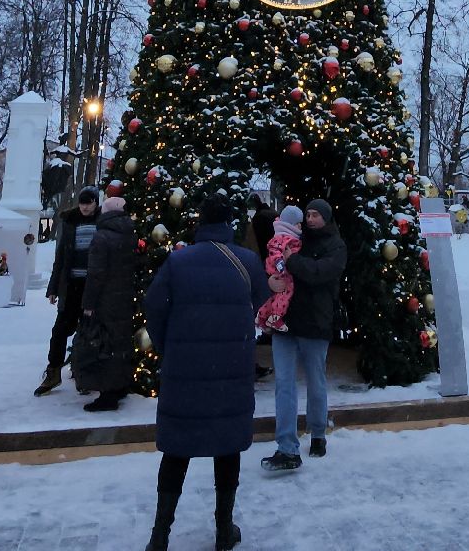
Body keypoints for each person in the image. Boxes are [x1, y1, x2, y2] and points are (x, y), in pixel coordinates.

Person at [143, 198, 269, 551]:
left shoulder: (178, 261)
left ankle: (160, 535)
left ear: (200, 221)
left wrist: (168, 343)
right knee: (227, 447)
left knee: (177, 450)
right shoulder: (246, 260)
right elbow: (260, 299)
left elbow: (153, 304)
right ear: (230, 223)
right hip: (231, 367)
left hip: (185, 369)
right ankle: (223, 529)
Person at [262, 199, 347, 472]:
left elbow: (319, 272)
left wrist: (293, 262)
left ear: (326, 217)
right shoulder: (294, 240)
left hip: (315, 323)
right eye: (307, 215)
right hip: (285, 324)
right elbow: (278, 268)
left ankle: (318, 433)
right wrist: (271, 280)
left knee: (315, 381)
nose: (310, 220)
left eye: (315, 215)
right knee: (284, 384)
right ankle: (286, 447)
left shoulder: (335, 246)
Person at [36, 187, 100, 396]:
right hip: (71, 284)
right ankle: (53, 371)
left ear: (96, 203)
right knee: (60, 329)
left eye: (88, 203)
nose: (84, 207)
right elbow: (61, 256)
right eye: (82, 203)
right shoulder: (70, 221)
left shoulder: (103, 221)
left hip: (92, 286)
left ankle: (83, 373)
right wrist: (53, 287)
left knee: (88, 332)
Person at [77, 195, 137, 412]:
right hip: (124, 297)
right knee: (120, 342)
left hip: (105, 300)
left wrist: (88, 304)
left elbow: (96, 274)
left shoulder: (101, 237)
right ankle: (120, 385)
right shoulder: (130, 233)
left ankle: (107, 394)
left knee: (104, 345)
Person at [255, 205, 304, 333]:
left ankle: (262, 315)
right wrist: (281, 266)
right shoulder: (283, 238)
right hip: (282, 271)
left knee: (275, 297)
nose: (300, 226)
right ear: (291, 224)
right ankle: (275, 317)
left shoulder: (287, 237)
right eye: (298, 223)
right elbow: (276, 253)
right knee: (285, 294)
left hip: (281, 270)